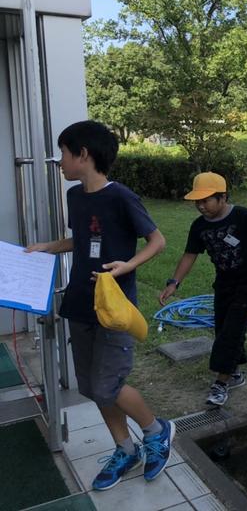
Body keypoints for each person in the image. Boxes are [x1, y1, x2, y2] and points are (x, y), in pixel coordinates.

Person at [26, 120, 173, 490]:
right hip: (80, 303)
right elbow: (82, 240)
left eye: (63, 153)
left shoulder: (121, 196)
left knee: (109, 385)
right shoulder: (75, 196)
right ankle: (126, 449)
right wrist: (47, 247)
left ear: (83, 154)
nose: (59, 162)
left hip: (115, 308)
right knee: (91, 386)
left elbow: (157, 241)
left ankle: (156, 431)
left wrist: (128, 265)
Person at [158, 173, 247, 406]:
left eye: (206, 200)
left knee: (232, 330)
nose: (201, 206)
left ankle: (221, 383)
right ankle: (235, 372)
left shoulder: (243, 216)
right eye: (197, 201)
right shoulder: (199, 226)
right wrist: (173, 283)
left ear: (223, 197)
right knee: (223, 328)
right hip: (224, 283)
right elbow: (190, 255)